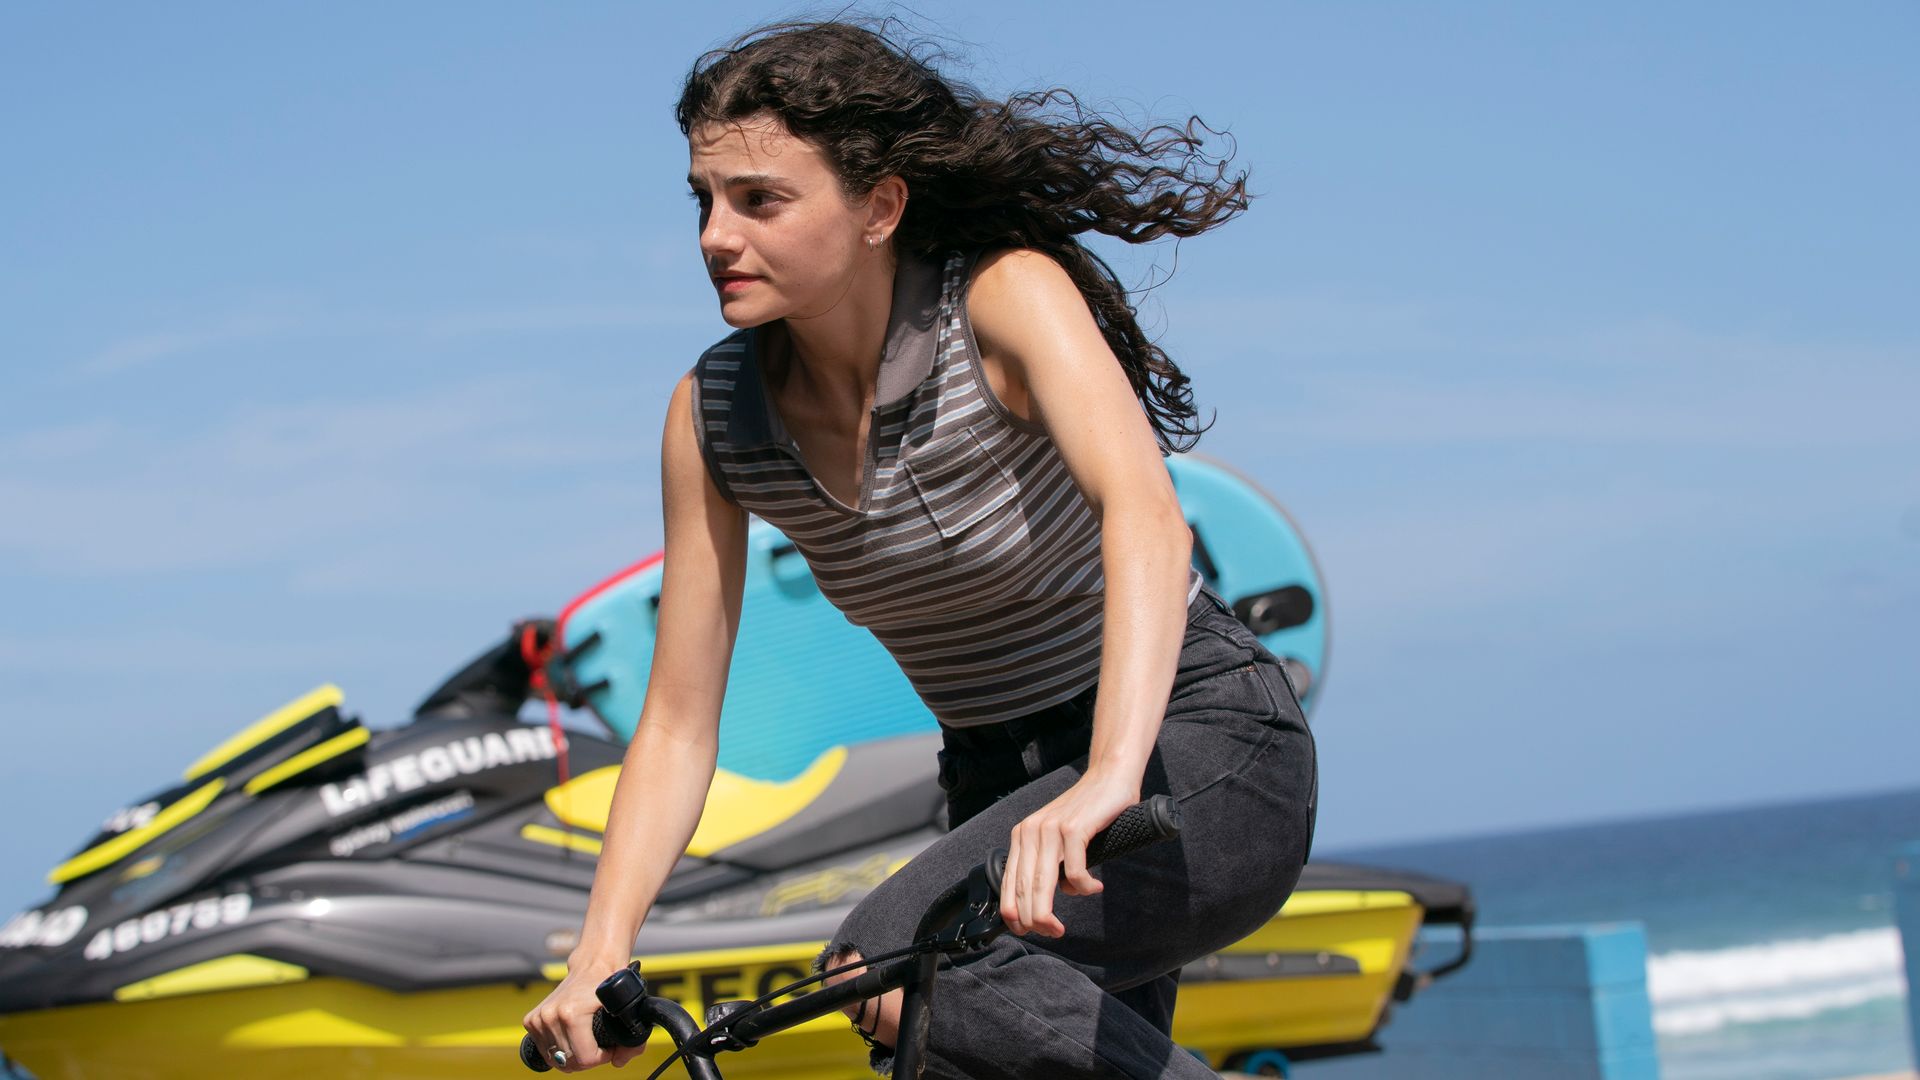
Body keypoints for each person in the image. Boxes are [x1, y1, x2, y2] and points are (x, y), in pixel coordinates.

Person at [523, 19, 1316, 1078]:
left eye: (760, 198)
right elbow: (674, 721)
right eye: (702, 198)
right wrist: (599, 950)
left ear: (879, 209)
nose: (717, 234)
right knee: (942, 1044)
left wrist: (1107, 778)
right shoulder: (713, 417)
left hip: (1188, 748)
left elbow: (1148, 520)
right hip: (999, 786)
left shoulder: (999, 302)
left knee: (889, 969)